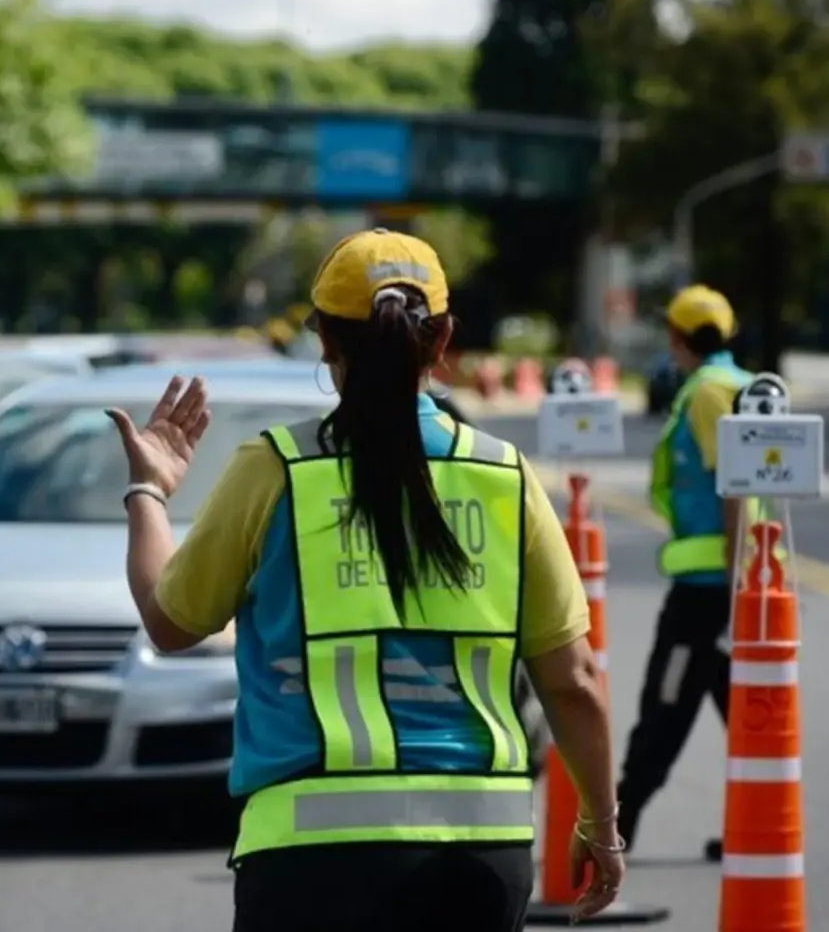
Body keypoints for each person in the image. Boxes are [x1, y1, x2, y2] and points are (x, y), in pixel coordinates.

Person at [106, 228, 625, 931]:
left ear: (323, 339)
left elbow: (171, 622)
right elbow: (574, 680)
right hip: (477, 857)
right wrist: (600, 821)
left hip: (306, 858)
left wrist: (149, 494)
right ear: (443, 341)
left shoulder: (275, 468)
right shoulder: (506, 475)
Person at [616, 284, 753, 859]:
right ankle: (756, 826)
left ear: (677, 336)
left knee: (664, 710)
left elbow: (737, 484)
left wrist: (733, 577)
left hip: (709, 592)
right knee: (748, 714)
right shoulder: (745, 384)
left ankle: (615, 832)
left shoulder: (707, 393)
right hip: (743, 586)